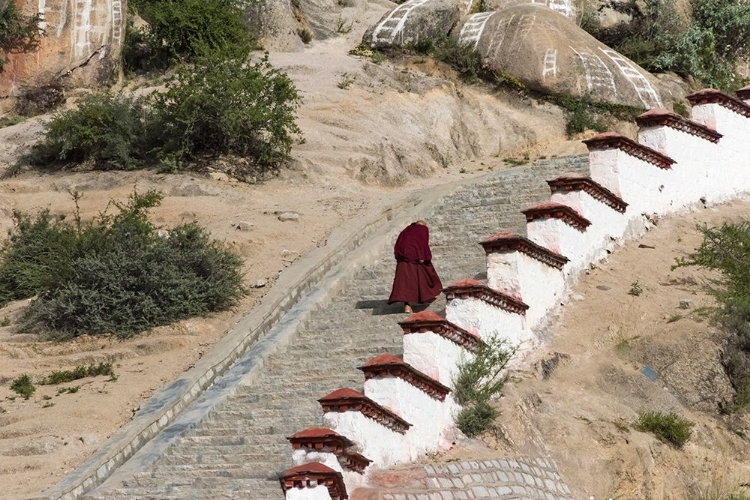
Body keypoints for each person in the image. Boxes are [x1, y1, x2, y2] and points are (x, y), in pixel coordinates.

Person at [387, 220, 443, 313]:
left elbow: (398, 246)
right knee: (426, 276)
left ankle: (407, 306)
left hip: (404, 261)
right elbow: (422, 243)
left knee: (406, 284)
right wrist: (422, 256)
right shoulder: (420, 230)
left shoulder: (406, 232)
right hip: (417, 260)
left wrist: (400, 258)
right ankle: (431, 295)